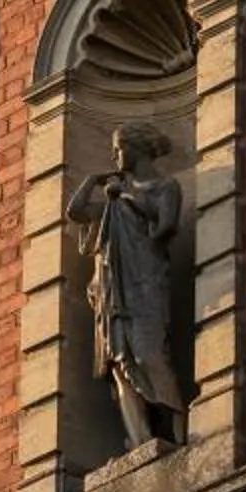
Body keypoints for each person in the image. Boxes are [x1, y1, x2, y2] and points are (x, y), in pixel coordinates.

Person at [67, 125, 188, 448]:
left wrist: (125, 197)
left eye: (119, 148)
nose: (114, 155)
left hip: (145, 283)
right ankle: (140, 440)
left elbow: (164, 227)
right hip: (110, 290)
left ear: (138, 148)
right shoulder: (111, 202)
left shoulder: (164, 187)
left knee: (150, 355)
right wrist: (93, 180)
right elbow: (76, 211)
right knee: (119, 365)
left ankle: (176, 431)